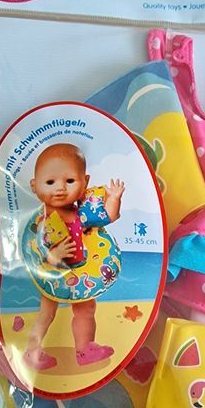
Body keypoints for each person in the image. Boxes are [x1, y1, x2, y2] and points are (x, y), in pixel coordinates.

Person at [23, 143, 125, 370]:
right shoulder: (43, 222)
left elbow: (108, 216)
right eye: (50, 182)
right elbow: (37, 251)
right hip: (53, 275)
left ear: (85, 182)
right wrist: (54, 255)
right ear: (34, 185)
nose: (60, 188)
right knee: (47, 313)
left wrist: (114, 197)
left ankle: (85, 349)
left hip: (80, 272)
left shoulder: (81, 213)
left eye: (69, 181)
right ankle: (32, 352)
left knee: (86, 310)